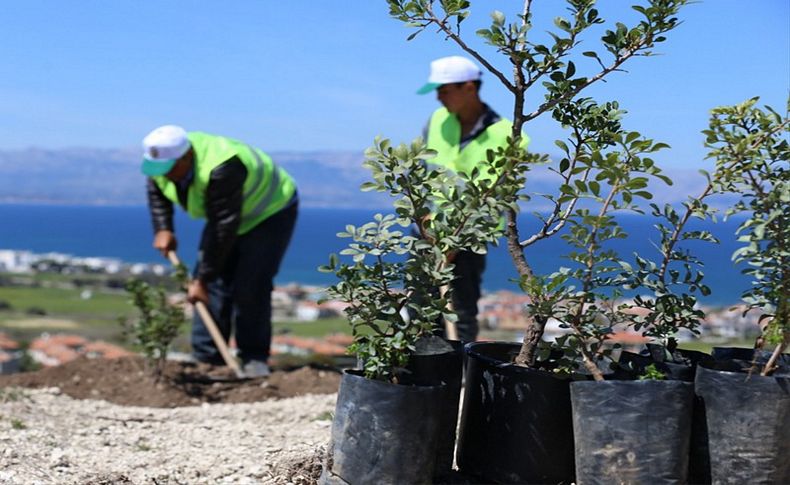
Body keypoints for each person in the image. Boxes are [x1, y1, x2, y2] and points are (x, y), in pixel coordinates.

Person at [140, 125, 298, 377]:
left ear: (186, 157)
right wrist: (163, 228)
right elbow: (156, 188)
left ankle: (253, 358)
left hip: (269, 212)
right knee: (211, 284)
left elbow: (222, 229)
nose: (165, 175)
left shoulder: (222, 166)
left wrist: (202, 278)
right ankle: (208, 358)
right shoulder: (161, 161)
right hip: (226, 216)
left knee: (250, 283)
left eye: (169, 170)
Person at [417, 55, 529, 343]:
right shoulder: (438, 120)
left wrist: (455, 240)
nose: (439, 97)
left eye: (444, 89)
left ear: (469, 87)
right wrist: (423, 222)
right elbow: (421, 172)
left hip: (469, 238)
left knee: (460, 311)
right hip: (426, 232)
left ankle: (461, 376)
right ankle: (426, 377)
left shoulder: (508, 135)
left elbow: (492, 196)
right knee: (421, 309)